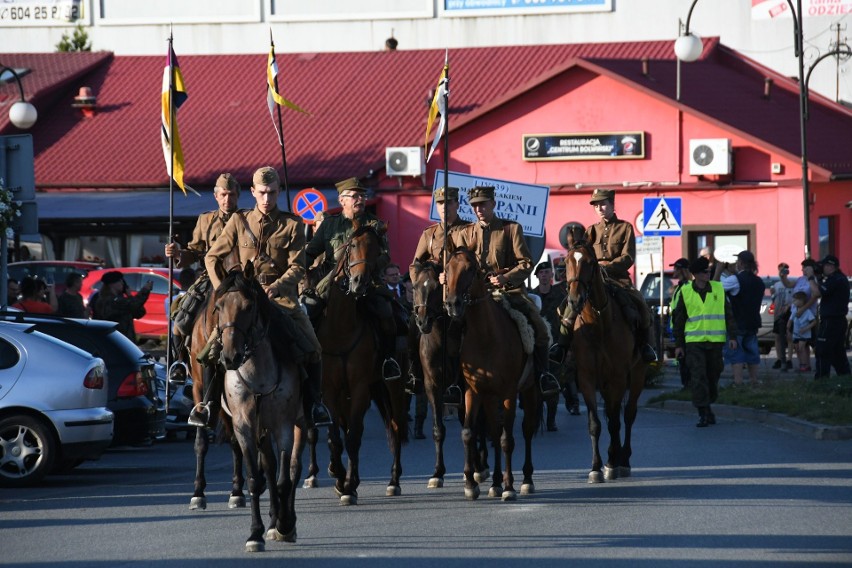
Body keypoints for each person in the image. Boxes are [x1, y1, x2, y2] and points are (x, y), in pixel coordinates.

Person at [205, 166, 331, 428]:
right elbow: (211, 257)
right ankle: (207, 404)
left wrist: (278, 286)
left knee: (313, 348)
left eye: (272, 193)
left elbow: (298, 266)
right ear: (252, 192)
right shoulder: (239, 221)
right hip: (244, 300)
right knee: (213, 349)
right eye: (262, 193)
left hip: (280, 299)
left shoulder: (292, 224)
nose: (267, 198)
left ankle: (315, 404)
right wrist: (223, 290)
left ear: (278, 192)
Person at [454, 185, 560, 396]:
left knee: (538, 328)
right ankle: (454, 383)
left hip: (508, 292)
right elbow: (458, 264)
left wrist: (505, 278)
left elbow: (526, 263)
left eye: (483, 204)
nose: (478, 209)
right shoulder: (464, 233)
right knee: (448, 330)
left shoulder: (511, 229)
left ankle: (543, 375)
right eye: (475, 206)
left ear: (493, 204)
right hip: (474, 296)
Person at [303, 176, 402, 382]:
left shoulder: (375, 224)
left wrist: (367, 266)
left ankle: (388, 360)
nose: (360, 199)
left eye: (362, 195)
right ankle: (307, 360)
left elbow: (386, 255)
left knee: (387, 312)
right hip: (331, 282)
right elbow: (312, 251)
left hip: (368, 281)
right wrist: (299, 262)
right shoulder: (330, 225)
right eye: (354, 196)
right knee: (307, 311)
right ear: (342, 200)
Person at [165, 174, 242, 426]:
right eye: (223, 194)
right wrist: (178, 253)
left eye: (231, 195)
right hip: (210, 279)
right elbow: (194, 252)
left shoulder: (247, 218)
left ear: (237, 196)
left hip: (240, 279)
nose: (227, 199)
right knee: (180, 316)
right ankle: (178, 364)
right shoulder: (205, 220)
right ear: (216, 196)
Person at [407, 186, 469, 405]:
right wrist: (425, 280)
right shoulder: (430, 234)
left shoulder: (468, 231)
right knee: (413, 326)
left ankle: (464, 379)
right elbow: (415, 264)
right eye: (441, 204)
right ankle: (413, 373)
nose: (444, 207)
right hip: (434, 296)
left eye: (449, 202)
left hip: (461, 297)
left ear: (457, 204)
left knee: (470, 330)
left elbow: (473, 264)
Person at [581, 188, 657, 362]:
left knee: (641, 306)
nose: (600, 208)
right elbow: (585, 255)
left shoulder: (625, 228)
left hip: (619, 280)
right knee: (570, 307)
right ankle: (564, 348)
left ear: (612, 205)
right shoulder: (591, 231)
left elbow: (628, 257)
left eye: (603, 204)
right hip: (595, 280)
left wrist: (607, 267)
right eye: (596, 205)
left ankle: (646, 346)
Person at [672, 256, 738, 427]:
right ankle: (703, 413)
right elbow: (678, 320)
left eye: (709, 271)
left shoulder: (718, 289)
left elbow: (729, 314)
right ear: (695, 274)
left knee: (713, 376)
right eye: (704, 272)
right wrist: (679, 345)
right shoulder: (686, 292)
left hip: (715, 342)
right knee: (698, 377)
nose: (708, 274)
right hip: (694, 343)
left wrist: (732, 336)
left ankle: (708, 406)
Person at [715, 250, 766, 386]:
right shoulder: (759, 281)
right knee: (752, 351)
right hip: (753, 322)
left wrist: (718, 271)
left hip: (737, 322)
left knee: (736, 352)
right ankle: (754, 380)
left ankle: (738, 382)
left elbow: (715, 289)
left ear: (741, 263)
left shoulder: (735, 280)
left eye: (738, 261)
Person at [530, 261, 570, 429]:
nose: (544, 275)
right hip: (536, 344)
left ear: (551, 276)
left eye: (547, 272)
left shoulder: (560, 295)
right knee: (534, 382)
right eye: (542, 273)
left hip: (555, 345)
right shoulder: (531, 296)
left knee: (553, 383)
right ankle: (536, 415)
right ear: (538, 276)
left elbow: (567, 319)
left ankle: (551, 419)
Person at [808, 255, 850, 378]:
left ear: (831, 266)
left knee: (822, 351)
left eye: (824, 266)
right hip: (837, 321)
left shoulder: (836, 279)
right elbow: (825, 291)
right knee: (838, 353)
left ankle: (821, 380)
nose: (822, 268)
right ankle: (845, 378)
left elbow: (817, 293)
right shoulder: (838, 279)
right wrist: (819, 278)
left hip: (831, 321)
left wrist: (811, 278)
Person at [94, 271, 152, 342]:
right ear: (111, 284)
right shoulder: (109, 300)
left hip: (125, 339)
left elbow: (139, 313)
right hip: (115, 340)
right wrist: (145, 290)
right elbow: (133, 304)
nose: (122, 283)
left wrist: (130, 296)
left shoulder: (121, 299)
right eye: (119, 281)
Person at [669, 258, 693, 388]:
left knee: (685, 359)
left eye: (676, 268)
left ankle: (688, 386)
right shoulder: (679, 286)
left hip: (686, 329)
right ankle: (686, 385)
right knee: (682, 358)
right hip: (678, 328)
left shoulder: (688, 286)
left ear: (681, 270)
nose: (674, 271)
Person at [771, 262, 795, 371]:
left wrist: (789, 306)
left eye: (785, 270)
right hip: (778, 312)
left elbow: (795, 298)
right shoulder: (776, 285)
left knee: (789, 336)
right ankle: (779, 358)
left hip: (789, 312)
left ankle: (789, 359)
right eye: (781, 269)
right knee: (777, 336)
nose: (782, 272)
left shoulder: (791, 283)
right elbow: (773, 299)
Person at [786, 291, 816, 372]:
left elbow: (814, 322)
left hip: (804, 334)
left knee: (802, 348)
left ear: (801, 301)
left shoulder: (807, 311)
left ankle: (805, 365)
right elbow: (790, 319)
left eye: (795, 300)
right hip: (796, 333)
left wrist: (806, 328)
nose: (794, 302)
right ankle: (801, 364)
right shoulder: (795, 310)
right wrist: (788, 327)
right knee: (797, 348)